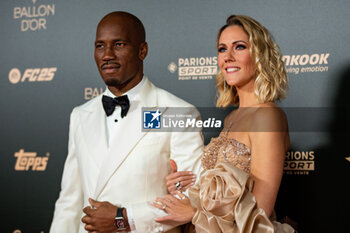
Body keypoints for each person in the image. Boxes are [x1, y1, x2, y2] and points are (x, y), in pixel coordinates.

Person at [49, 11, 203, 233]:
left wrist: (122, 218)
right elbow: (69, 202)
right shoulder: (81, 115)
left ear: (142, 50)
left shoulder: (177, 112)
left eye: (119, 44)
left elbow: (189, 199)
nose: (107, 55)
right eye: (100, 46)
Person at [152, 15, 295, 232]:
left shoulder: (268, 116)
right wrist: (187, 185)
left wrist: (193, 213)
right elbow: (222, 195)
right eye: (221, 49)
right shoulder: (231, 118)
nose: (227, 57)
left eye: (239, 47)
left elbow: (260, 213)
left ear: (259, 55)